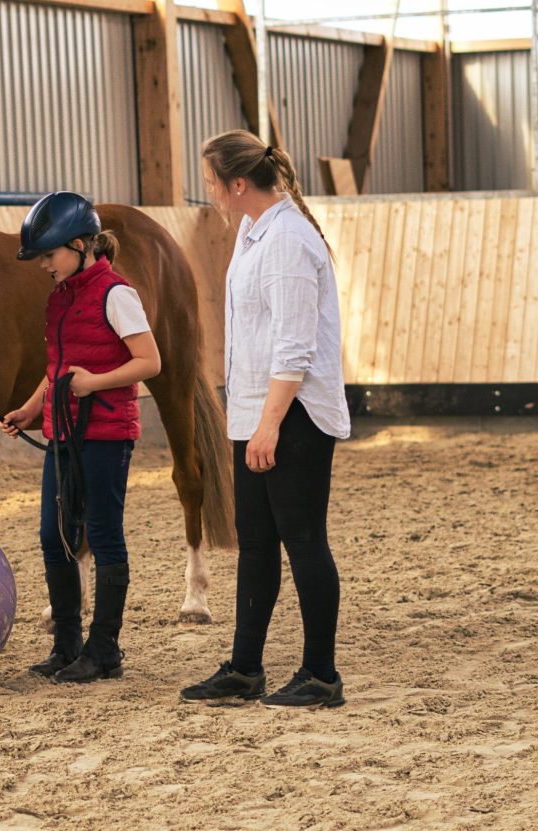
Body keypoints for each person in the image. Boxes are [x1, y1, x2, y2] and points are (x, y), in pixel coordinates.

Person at [179, 131, 351, 708]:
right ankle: (245, 667)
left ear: (237, 184)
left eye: (210, 181)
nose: (208, 192)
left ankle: (321, 674)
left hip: (293, 413)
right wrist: (248, 413)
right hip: (257, 411)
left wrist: (271, 423)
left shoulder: (287, 241)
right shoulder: (252, 233)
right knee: (255, 543)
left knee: (303, 540)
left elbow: (295, 346)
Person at [0, 191, 161, 684]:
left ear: (78, 244)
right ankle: (66, 643)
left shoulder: (117, 295)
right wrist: (31, 408)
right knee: (53, 535)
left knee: (105, 535)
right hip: (63, 433)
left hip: (107, 433)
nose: (44, 265)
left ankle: (105, 647)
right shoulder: (61, 298)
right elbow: (58, 369)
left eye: (49, 255)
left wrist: (93, 383)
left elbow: (149, 361)